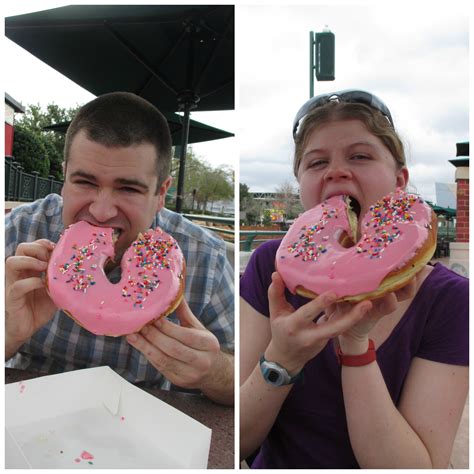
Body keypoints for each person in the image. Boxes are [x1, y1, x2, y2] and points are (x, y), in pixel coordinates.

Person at [240, 90, 468, 467]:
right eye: (316, 163)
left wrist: (356, 343)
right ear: (301, 184)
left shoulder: (451, 301)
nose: (336, 171)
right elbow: (241, 443)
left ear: (400, 181)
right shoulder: (272, 269)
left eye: (360, 156)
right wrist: (284, 356)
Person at [5, 92, 234, 406]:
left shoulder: (206, 257)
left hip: (146, 425)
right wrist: (6, 336)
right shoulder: (19, 233)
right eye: (84, 182)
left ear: (161, 193)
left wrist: (213, 372)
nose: (100, 211)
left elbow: (241, 382)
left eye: (128, 188)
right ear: (64, 178)